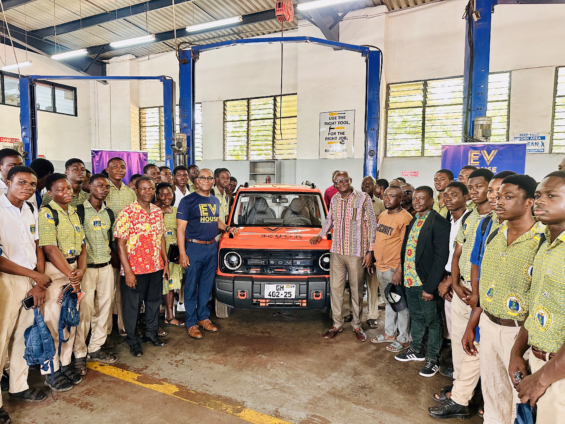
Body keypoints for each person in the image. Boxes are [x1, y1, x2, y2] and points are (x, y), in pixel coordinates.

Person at [457, 175, 540, 424]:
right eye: (499, 196)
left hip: (519, 333)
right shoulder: (495, 234)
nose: (499, 201)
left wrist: (519, 348)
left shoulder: (542, 241)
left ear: (529, 202)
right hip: (489, 325)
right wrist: (473, 324)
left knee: (519, 401)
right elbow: (485, 286)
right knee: (493, 393)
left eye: (508, 197)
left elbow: (538, 300)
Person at [508, 171, 565, 424]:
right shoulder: (546, 245)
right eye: (539, 195)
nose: (540, 200)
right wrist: (517, 352)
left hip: (558, 375)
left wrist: (541, 380)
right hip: (536, 361)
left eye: (551, 196)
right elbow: (536, 307)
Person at [0, 166, 51, 422]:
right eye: (21, 182)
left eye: (31, 184)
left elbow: (37, 246)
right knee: (0, 342)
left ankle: (19, 387)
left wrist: (38, 281)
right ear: (7, 181)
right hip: (7, 282)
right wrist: (35, 276)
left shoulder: (30, 209)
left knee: (24, 336)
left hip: (31, 281)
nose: (27, 188)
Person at [441, 169, 494, 412]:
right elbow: (457, 253)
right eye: (470, 187)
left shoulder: (497, 220)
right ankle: (460, 389)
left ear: (491, 188)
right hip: (461, 287)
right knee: (459, 342)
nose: (473, 191)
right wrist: (454, 283)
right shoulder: (469, 217)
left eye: (478, 186)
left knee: (477, 346)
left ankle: (473, 394)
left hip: (480, 293)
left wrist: (476, 293)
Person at [310, 171, 376, 342]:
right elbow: (329, 220)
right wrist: (320, 234)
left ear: (350, 180)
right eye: (337, 182)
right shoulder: (335, 199)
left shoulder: (363, 198)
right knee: (336, 289)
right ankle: (337, 324)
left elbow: (372, 224)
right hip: (337, 251)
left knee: (356, 290)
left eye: (344, 180)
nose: (341, 184)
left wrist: (370, 251)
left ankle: (357, 325)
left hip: (356, 252)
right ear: (335, 185)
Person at [38, 173, 87, 390]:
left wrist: (80, 270)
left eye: (68, 188)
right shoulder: (47, 213)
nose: (67, 192)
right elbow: (49, 248)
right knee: (53, 323)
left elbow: (82, 245)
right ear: (50, 193)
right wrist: (71, 274)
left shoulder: (73, 212)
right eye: (60, 189)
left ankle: (66, 363)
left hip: (74, 271)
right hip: (57, 272)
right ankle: (51, 370)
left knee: (70, 320)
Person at [177, 169, 238, 339]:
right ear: (196, 181)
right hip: (193, 247)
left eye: (209, 178)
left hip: (211, 247)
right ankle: (191, 322)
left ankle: (203, 318)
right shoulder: (187, 201)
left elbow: (215, 219)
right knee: (191, 287)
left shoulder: (214, 200)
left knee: (206, 286)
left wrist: (227, 228)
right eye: (202, 178)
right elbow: (180, 229)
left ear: (213, 181)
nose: (206, 180)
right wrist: (182, 253)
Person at [395, 186, 449, 378]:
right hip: (410, 279)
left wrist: (430, 287)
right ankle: (416, 349)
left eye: (421, 199)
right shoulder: (414, 220)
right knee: (416, 317)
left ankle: (432, 359)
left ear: (431, 201)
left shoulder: (439, 223)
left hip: (425, 282)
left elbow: (440, 259)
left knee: (433, 322)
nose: (416, 202)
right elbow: (406, 249)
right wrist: (401, 270)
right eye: (415, 199)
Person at [114, 177, 170, 357]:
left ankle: (151, 334)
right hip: (135, 270)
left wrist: (165, 262)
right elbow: (120, 244)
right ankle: (133, 341)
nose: (148, 192)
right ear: (136, 191)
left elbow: (161, 238)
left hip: (155, 266)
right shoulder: (127, 213)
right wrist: (128, 271)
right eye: (144, 189)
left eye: (151, 188)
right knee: (132, 307)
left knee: (154, 303)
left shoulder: (157, 211)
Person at [73, 174, 119, 376]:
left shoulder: (109, 213)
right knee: (84, 311)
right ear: (90, 187)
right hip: (87, 269)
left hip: (106, 267)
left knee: (104, 309)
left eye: (107, 187)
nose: (104, 189)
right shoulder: (79, 211)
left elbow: (111, 240)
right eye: (100, 185)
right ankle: (79, 353)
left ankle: (95, 347)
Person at [369, 185, 413, 352]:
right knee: (389, 302)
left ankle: (403, 338)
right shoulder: (382, 215)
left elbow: (407, 248)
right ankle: (389, 333)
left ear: (400, 199)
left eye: (392, 196)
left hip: (394, 269)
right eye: (386, 195)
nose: (387, 199)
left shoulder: (405, 218)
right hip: (381, 267)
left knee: (401, 305)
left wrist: (399, 270)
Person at [437, 182, 470, 361]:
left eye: (454, 195)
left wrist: (450, 281)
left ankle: (463, 362)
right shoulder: (448, 220)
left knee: (462, 325)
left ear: (466, 197)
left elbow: (465, 256)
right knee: (451, 323)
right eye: (446, 195)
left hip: (460, 279)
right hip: (448, 275)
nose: (448, 199)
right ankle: (455, 359)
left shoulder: (469, 221)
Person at [105, 157, 137, 338]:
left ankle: (124, 325)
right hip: (108, 244)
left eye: (122, 167)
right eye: (114, 167)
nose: (119, 169)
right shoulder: (103, 189)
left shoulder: (130, 193)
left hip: (127, 244)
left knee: (125, 287)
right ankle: (107, 328)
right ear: (107, 170)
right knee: (109, 289)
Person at [155, 182, 184, 327]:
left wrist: (181, 252)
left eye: (169, 194)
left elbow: (182, 232)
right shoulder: (153, 211)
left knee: (171, 284)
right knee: (160, 285)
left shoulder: (178, 211)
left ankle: (170, 316)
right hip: (158, 252)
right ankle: (157, 318)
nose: (166, 197)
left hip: (174, 253)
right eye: (163, 194)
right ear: (157, 196)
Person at [361, 175, 386, 328]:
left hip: (373, 249)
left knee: (372, 284)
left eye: (370, 183)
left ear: (375, 187)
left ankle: (372, 315)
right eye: (364, 183)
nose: (367, 185)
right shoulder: (355, 202)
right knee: (355, 285)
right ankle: (353, 312)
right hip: (357, 250)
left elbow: (383, 226)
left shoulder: (381, 204)